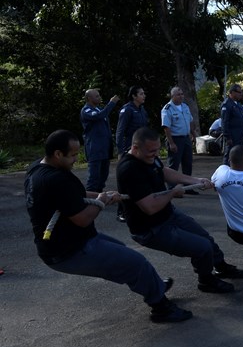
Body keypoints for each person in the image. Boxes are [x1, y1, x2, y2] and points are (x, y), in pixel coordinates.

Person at [26, 130, 191, 323]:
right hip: (68, 251)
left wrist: (100, 195)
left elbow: (74, 194)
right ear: (57, 154)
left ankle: (153, 285)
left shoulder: (38, 168)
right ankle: (161, 308)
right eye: (72, 155)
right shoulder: (55, 180)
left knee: (123, 253)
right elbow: (83, 219)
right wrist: (101, 202)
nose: (76, 159)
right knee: (136, 263)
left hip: (76, 241)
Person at [117, 127, 243, 295]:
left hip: (167, 215)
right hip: (151, 229)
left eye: (157, 150)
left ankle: (221, 268)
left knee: (206, 238)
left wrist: (195, 180)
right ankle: (206, 281)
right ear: (135, 148)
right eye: (151, 151)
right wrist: (172, 193)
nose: (156, 154)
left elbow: (164, 171)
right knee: (202, 247)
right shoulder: (129, 169)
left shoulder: (150, 158)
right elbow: (149, 207)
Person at [80, 89, 120, 193]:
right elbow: (98, 116)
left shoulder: (98, 109)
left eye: (99, 95)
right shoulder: (86, 110)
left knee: (104, 174)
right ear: (89, 98)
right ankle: (90, 196)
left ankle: (99, 194)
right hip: (94, 148)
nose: (99, 97)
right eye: (97, 96)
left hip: (104, 148)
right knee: (94, 176)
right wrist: (111, 103)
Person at [161, 86, 196, 177]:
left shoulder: (185, 106)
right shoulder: (167, 109)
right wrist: (171, 143)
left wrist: (193, 134)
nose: (181, 96)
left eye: (182, 94)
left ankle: (188, 186)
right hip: (175, 139)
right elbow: (166, 127)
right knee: (173, 164)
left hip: (186, 138)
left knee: (188, 163)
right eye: (178, 95)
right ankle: (171, 187)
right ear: (172, 96)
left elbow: (190, 121)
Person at [116, 85, 148, 157]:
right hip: (130, 147)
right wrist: (120, 151)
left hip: (142, 146)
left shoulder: (142, 109)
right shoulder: (127, 110)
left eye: (144, 93)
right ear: (134, 96)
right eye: (141, 94)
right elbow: (120, 131)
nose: (144, 96)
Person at [221, 84, 243, 166]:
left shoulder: (237, 104)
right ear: (232, 92)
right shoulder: (227, 104)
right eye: (238, 92)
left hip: (240, 135)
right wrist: (227, 136)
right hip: (233, 135)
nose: (240, 94)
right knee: (229, 154)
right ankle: (225, 173)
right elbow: (225, 122)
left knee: (238, 155)